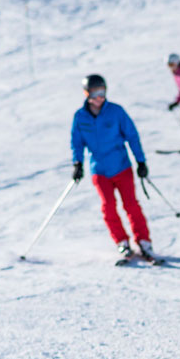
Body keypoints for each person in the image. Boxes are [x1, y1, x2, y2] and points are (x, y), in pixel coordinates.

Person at [70, 73, 158, 264]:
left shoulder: (116, 111)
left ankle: (143, 241)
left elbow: (132, 137)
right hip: (99, 170)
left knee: (131, 205)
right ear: (86, 94)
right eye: (94, 93)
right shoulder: (80, 116)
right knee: (108, 207)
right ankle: (122, 241)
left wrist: (141, 162)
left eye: (102, 92)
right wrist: (77, 163)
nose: (98, 97)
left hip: (122, 167)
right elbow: (77, 143)